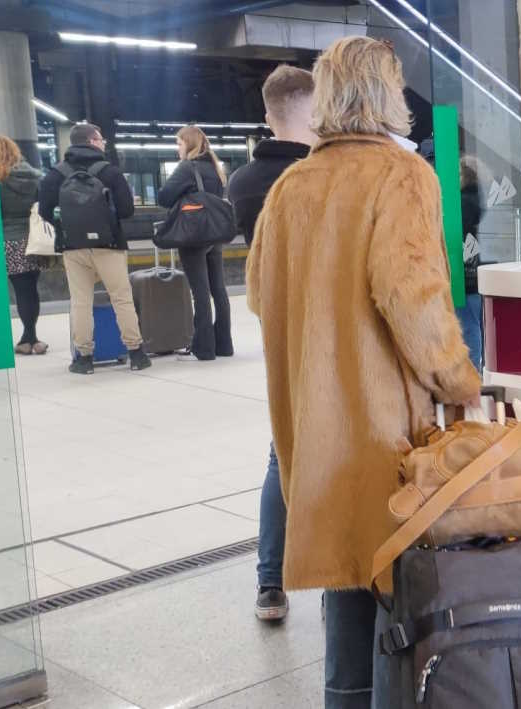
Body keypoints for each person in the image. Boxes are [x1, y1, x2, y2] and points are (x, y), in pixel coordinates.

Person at [246, 36, 480, 708]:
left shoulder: (292, 183)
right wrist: (461, 381)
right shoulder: (402, 176)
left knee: (345, 595)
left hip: (313, 432)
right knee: (396, 591)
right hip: (383, 433)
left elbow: (262, 294)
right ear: (388, 93)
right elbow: (414, 299)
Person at [228, 64, 316, 623]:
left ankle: (270, 583)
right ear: (316, 108)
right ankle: (347, 579)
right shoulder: (320, 176)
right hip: (331, 328)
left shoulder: (242, 182)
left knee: (281, 452)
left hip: (278, 330)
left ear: (268, 114)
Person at [38, 123, 150, 374]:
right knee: (121, 298)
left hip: (73, 247)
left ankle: (84, 359)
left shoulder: (56, 174)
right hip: (109, 245)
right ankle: (137, 354)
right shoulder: (109, 172)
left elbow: (45, 210)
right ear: (91, 141)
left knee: (80, 302)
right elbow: (127, 210)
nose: (103, 143)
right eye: (100, 139)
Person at [158, 125, 233, 360]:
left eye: (179, 143)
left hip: (193, 236)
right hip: (214, 235)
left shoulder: (187, 167)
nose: (177, 148)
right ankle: (224, 345)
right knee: (218, 290)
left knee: (200, 292)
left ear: (189, 144)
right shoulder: (214, 167)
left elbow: (164, 197)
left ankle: (204, 348)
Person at [0, 136, 48, 355]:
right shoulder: (34, 177)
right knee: (28, 290)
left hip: (7, 239)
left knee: (18, 291)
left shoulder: (0, 179)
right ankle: (31, 338)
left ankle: (27, 340)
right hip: (32, 240)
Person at [457, 155, 484, 370]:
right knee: (472, 323)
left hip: (466, 274)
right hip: (470, 272)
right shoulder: (473, 197)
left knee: (469, 326)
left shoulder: (465, 201)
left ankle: (473, 369)